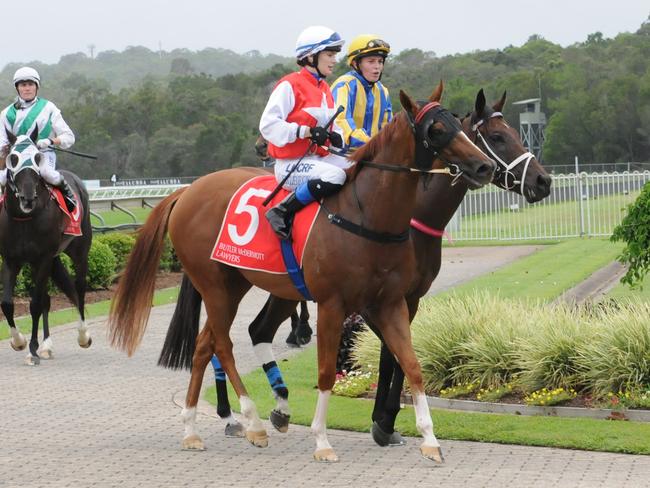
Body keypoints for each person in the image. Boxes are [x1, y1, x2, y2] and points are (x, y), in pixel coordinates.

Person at [260, 25, 350, 240]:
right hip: (290, 165)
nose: (334, 60)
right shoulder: (289, 85)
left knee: (359, 166)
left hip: (318, 158)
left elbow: (332, 125)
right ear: (311, 57)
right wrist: (304, 131)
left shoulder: (325, 89)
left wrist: (336, 136)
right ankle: (281, 210)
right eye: (329, 54)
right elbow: (268, 125)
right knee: (335, 176)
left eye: (334, 55)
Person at [0, 67, 77, 211]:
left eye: (31, 84)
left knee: (48, 174)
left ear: (36, 87)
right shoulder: (6, 114)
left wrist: (50, 141)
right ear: (17, 88)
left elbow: (69, 137)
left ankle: (70, 199)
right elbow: (2, 142)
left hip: (43, 154)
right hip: (17, 157)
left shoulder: (48, 108)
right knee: (2, 178)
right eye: (23, 85)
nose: (27, 88)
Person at [331, 34, 392, 150]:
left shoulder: (383, 91)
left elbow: (387, 127)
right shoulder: (344, 86)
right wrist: (373, 144)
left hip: (373, 154)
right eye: (371, 61)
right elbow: (342, 124)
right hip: (344, 154)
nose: (377, 67)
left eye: (380, 61)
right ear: (355, 63)